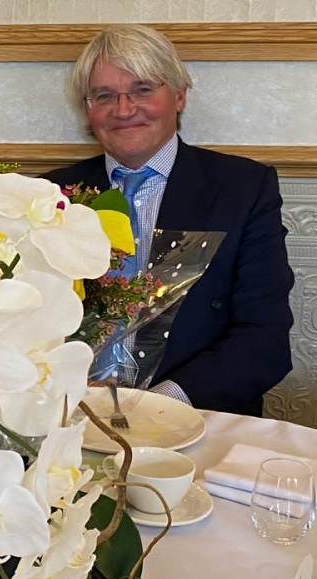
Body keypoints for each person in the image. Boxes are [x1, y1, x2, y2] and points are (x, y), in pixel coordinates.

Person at [43, 24, 293, 417]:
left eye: (143, 89)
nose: (124, 109)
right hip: (69, 415)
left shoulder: (243, 189)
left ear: (178, 95)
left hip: (193, 416)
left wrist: (157, 405)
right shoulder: (48, 194)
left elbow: (264, 341)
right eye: (104, 95)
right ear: (88, 110)